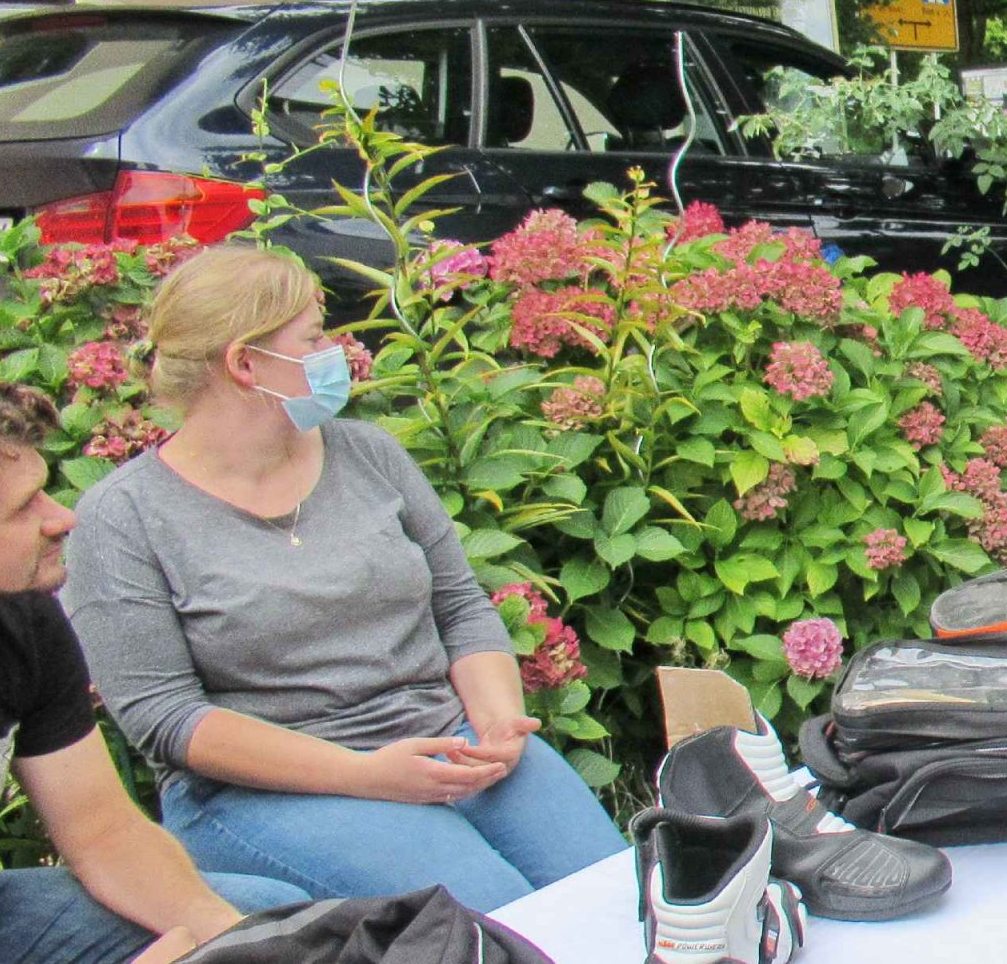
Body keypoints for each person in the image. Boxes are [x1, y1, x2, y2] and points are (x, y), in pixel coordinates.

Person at [62, 245, 626, 907]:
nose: (335, 353)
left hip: (450, 741)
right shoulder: (123, 518)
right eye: (313, 339)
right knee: (489, 920)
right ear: (245, 364)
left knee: (618, 899)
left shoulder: (369, 455)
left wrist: (500, 724)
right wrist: (366, 775)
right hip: (271, 789)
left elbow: (460, 607)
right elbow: (166, 718)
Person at [0, 366, 308, 964]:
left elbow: (102, 833)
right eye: (23, 509)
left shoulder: (17, 617)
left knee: (265, 922)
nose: (62, 517)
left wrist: (230, 944)